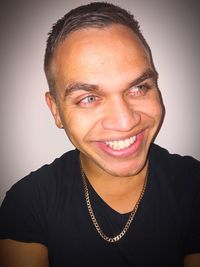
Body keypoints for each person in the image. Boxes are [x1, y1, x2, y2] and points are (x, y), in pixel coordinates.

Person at [0, 2, 200, 266]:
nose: (125, 121)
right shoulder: (28, 203)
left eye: (139, 87)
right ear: (56, 110)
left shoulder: (193, 186)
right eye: (89, 97)